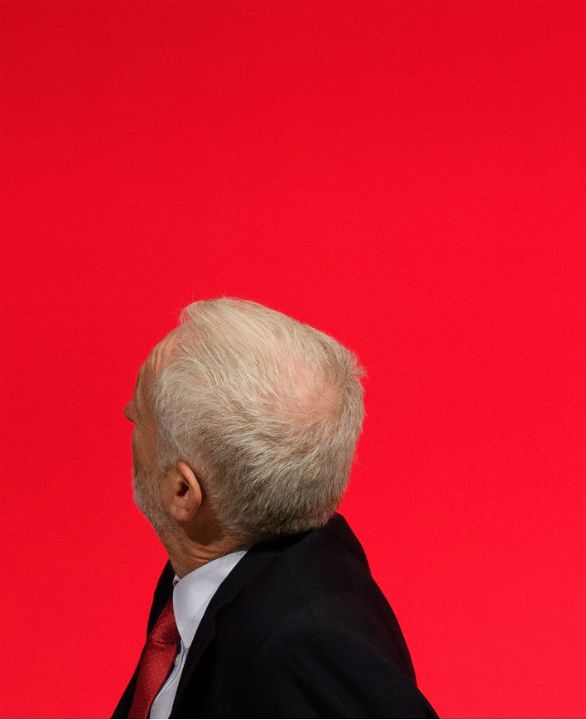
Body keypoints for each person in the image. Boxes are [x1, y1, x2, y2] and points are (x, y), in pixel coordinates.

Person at [114, 298, 435, 718]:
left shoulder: (306, 649)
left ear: (182, 493)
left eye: (140, 418)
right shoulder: (210, 579)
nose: (126, 413)